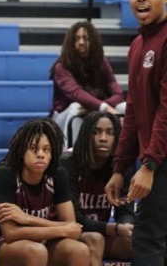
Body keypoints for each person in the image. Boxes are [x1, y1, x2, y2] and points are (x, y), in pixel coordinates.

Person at [105, 0, 167, 266]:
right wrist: (120, 167)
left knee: (147, 241)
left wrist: (150, 164)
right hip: (155, 159)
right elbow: (132, 111)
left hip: (159, 160)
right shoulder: (137, 46)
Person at [0, 118, 89, 266]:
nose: (40, 154)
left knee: (79, 250)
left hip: (36, 239)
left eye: (46, 150)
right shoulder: (5, 175)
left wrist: (28, 219)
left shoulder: (57, 174)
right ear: (22, 151)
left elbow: (71, 225)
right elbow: (10, 233)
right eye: (34, 149)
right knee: (35, 251)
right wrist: (62, 229)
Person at [59, 111, 133, 265]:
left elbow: (125, 210)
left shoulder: (121, 166)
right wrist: (116, 228)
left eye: (110, 133)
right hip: (69, 234)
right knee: (95, 239)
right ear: (86, 134)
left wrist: (126, 227)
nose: (103, 138)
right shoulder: (67, 163)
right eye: (96, 132)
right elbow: (74, 218)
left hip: (102, 231)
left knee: (143, 242)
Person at [50, 20, 125, 148]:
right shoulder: (61, 67)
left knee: (124, 107)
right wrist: (102, 107)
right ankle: (72, 155)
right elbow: (76, 93)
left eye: (86, 38)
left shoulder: (101, 63)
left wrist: (97, 107)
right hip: (64, 117)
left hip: (92, 111)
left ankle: (125, 155)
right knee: (76, 108)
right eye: (76, 39)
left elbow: (118, 93)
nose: (81, 42)